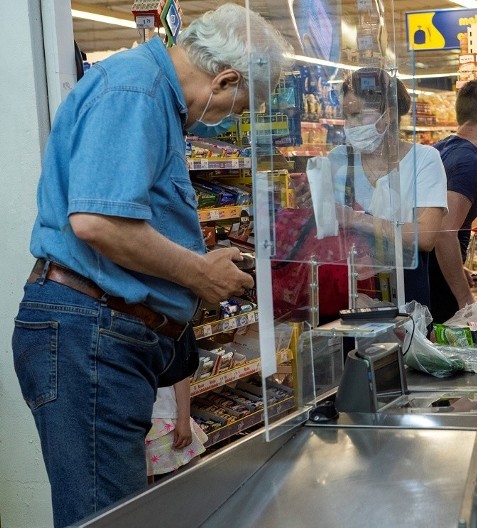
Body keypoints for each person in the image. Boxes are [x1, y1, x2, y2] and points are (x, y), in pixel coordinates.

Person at [11, 4, 292, 526]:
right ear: (225, 78)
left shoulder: (149, 93)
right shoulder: (135, 91)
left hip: (103, 334)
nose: (227, 115)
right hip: (89, 332)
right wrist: (198, 273)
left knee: (118, 510)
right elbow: (98, 222)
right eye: (236, 104)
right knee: (106, 516)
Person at [327, 68, 447, 309]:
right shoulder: (339, 160)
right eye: (347, 116)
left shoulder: (423, 159)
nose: (351, 125)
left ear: (388, 114)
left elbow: (425, 237)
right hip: (350, 299)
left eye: (359, 116)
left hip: (406, 298)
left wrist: (356, 220)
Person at [428, 80, 477, 323]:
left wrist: (457, 270)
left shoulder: (440, 148)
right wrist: (465, 299)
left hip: (429, 276)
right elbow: (443, 233)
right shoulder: (469, 163)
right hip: (441, 291)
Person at [145, 377, 207, 482]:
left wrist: (184, 419)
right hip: (128, 423)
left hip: (164, 418)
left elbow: (181, 375)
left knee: (186, 481)